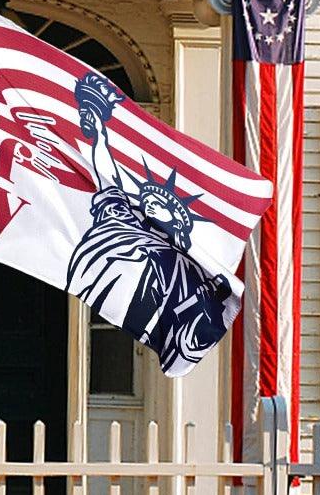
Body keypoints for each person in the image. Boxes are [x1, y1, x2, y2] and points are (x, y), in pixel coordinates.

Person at [66, 73, 231, 373]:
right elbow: (108, 177)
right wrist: (100, 129)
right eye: (149, 201)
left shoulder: (181, 266)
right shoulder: (124, 218)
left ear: (177, 226)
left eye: (163, 205)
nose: (152, 204)